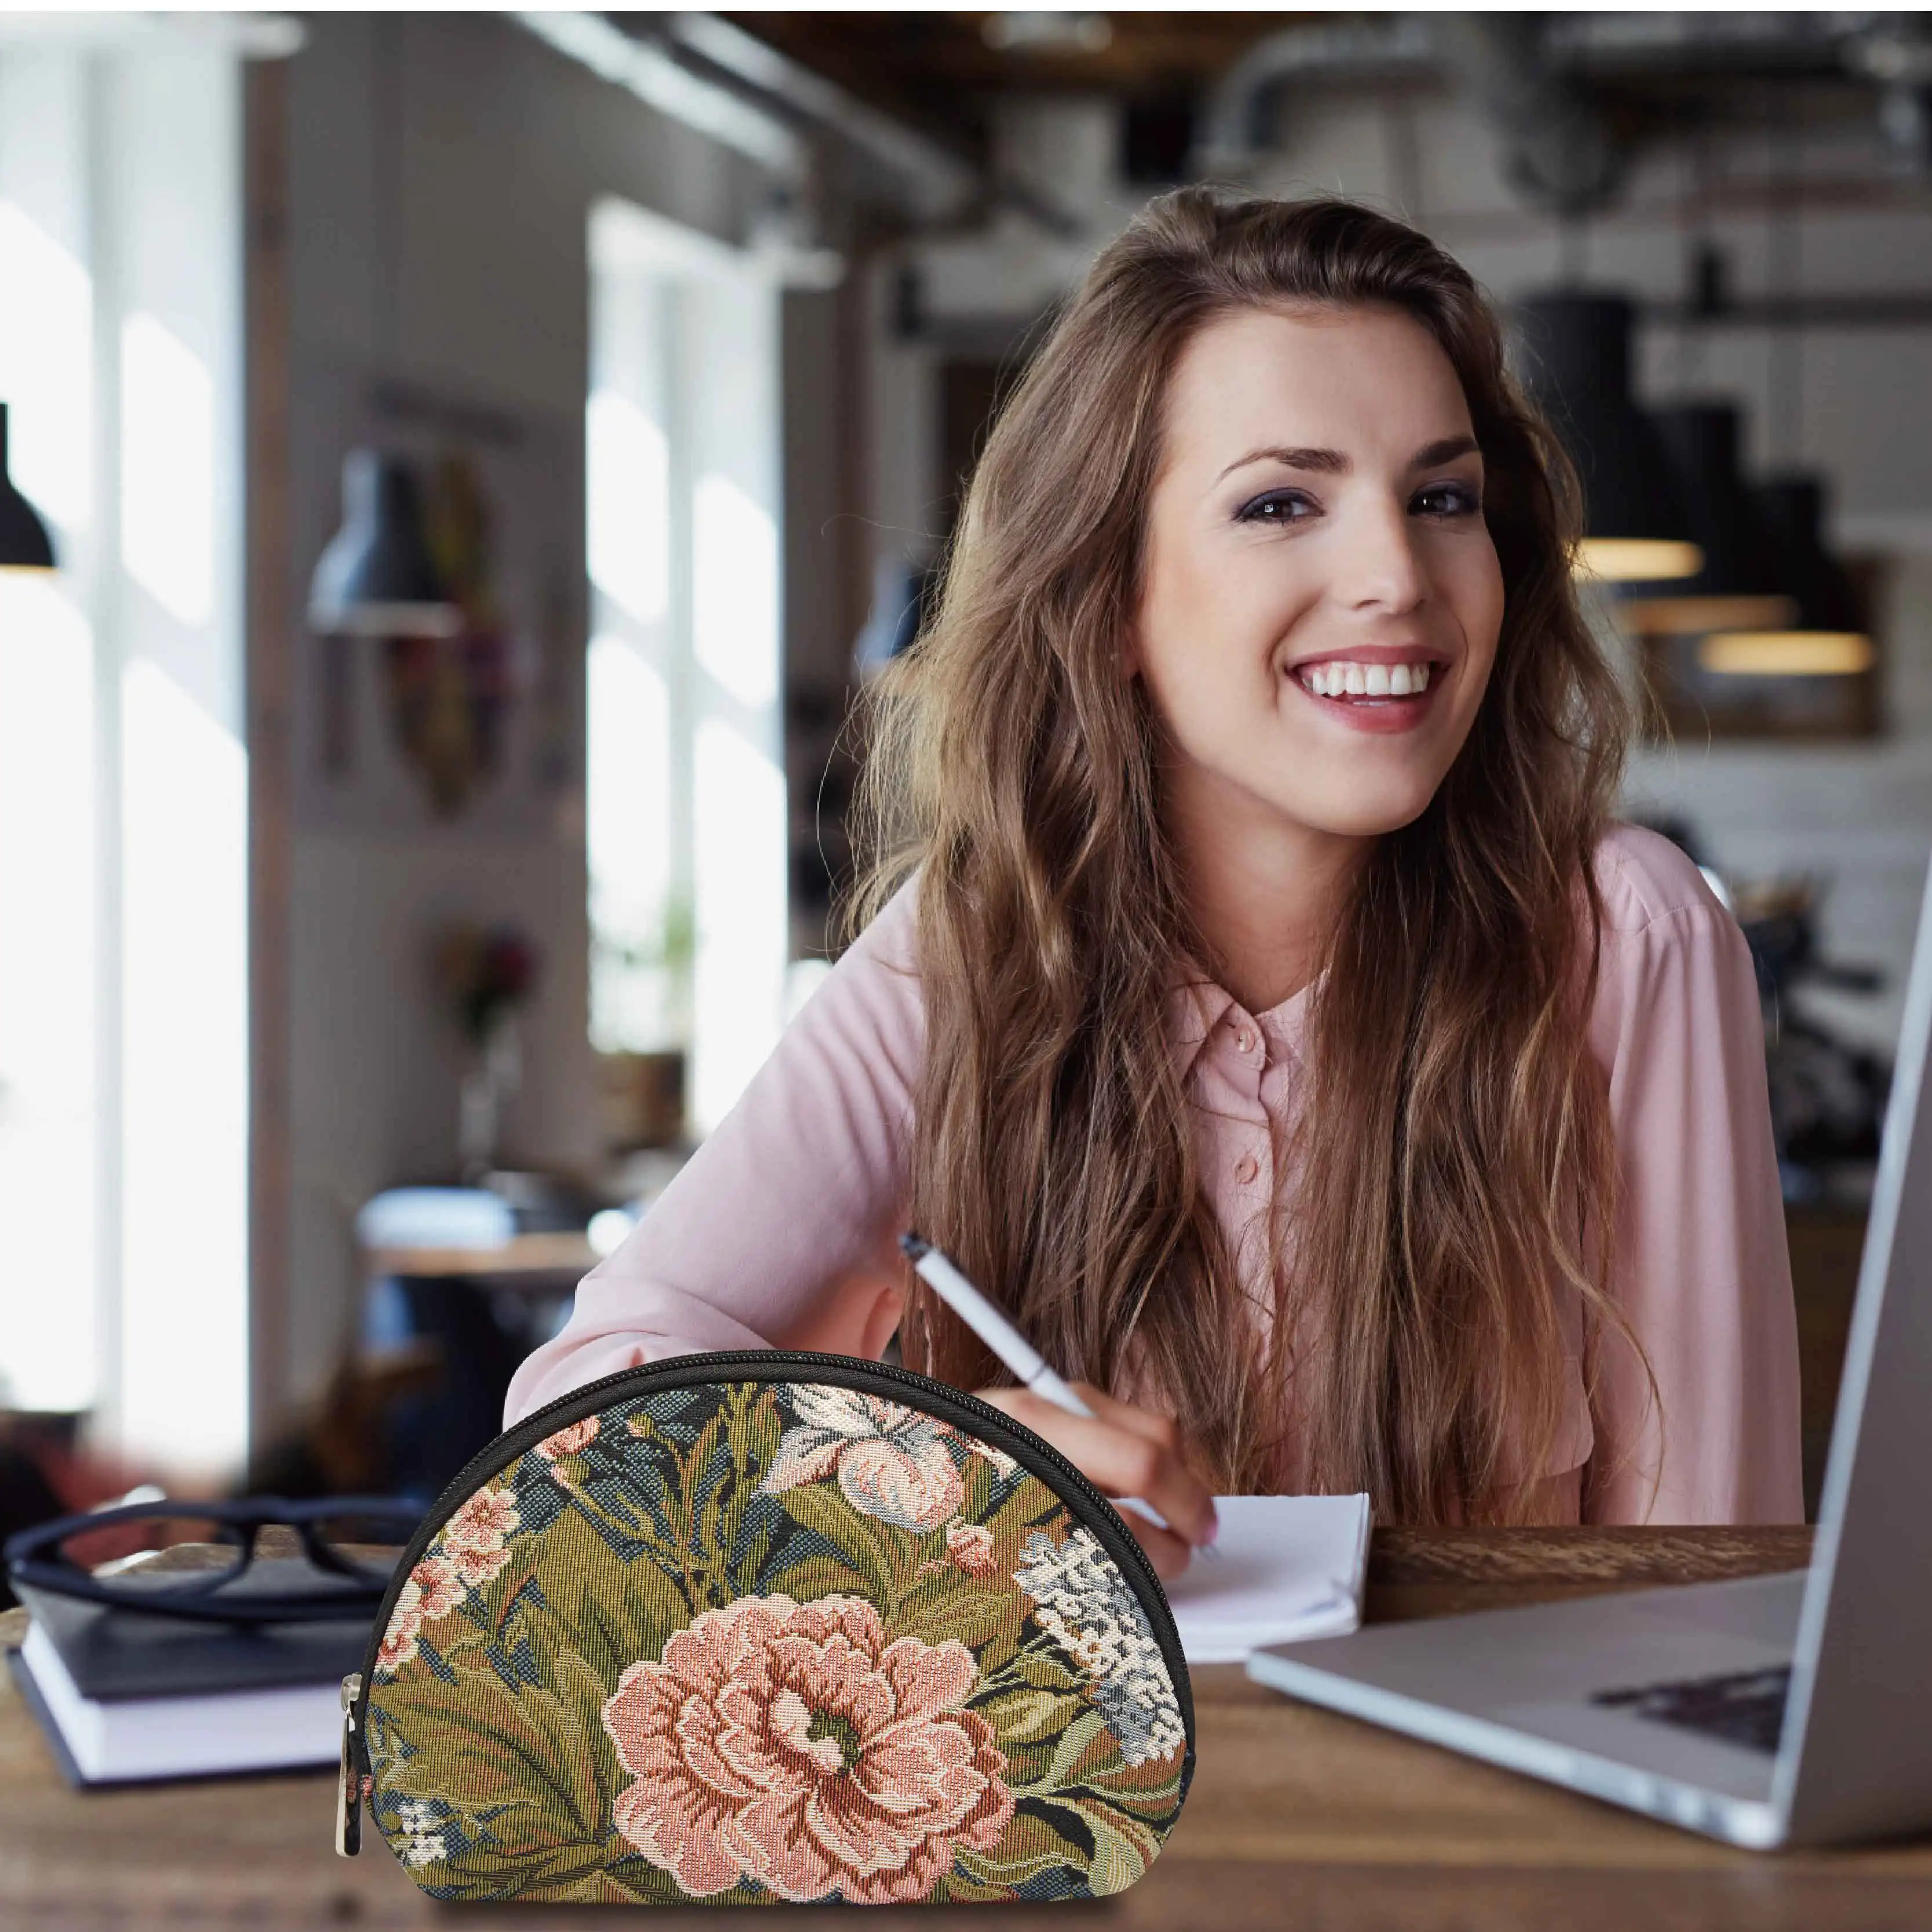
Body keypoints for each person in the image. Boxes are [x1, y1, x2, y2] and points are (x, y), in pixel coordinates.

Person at [508, 190, 1802, 1575]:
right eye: (1279, 502)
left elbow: (1707, 1589)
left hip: (1485, 1795)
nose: (1396, 574)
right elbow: (574, 1435)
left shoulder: (1624, 935)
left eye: (1440, 497)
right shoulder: (965, 952)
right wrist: (922, 1478)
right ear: (1110, 597)